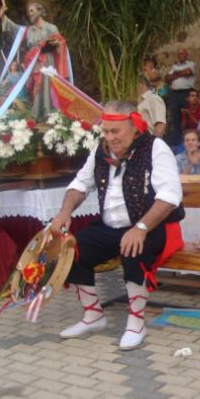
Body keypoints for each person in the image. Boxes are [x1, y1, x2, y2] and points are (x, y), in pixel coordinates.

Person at [51, 101, 184, 350]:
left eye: (115, 131)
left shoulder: (156, 148)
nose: (110, 137)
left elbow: (169, 197)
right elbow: (80, 184)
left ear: (134, 127)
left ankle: (136, 323)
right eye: (106, 131)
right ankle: (93, 315)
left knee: (132, 249)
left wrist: (140, 228)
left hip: (153, 225)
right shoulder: (100, 151)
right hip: (111, 227)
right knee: (72, 250)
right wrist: (64, 212)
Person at [0, 0, 70, 120]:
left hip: (47, 61)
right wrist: (3, 16)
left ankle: (48, 113)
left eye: (32, 11)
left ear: (40, 11)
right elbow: (15, 28)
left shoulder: (50, 27)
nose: (30, 14)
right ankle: (36, 114)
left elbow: (60, 42)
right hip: (32, 62)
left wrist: (57, 43)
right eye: (29, 12)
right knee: (35, 86)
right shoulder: (29, 30)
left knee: (46, 84)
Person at [166, 48, 196, 146]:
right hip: (174, 94)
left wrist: (175, 74)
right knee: (175, 118)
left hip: (186, 93)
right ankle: (177, 141)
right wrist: (180, 74)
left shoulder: (191, 64)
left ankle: (190, 139)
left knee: (188, 116)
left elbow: (188, 72)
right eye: (179, 54)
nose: (180, 55)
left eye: (182, 53)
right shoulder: (174, 66)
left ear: (186, 54)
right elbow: (167, 78)